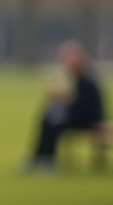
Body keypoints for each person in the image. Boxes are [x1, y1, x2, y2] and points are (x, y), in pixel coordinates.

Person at [27, 40, 106, 169]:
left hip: (89, 120)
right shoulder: (81, 78)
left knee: (54, 124)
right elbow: (76, 101)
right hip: (82, 116)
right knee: (47, 119)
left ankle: (48, 160)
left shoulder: (86, 79)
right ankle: (40, 157)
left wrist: (61, 97)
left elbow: (82, 106)